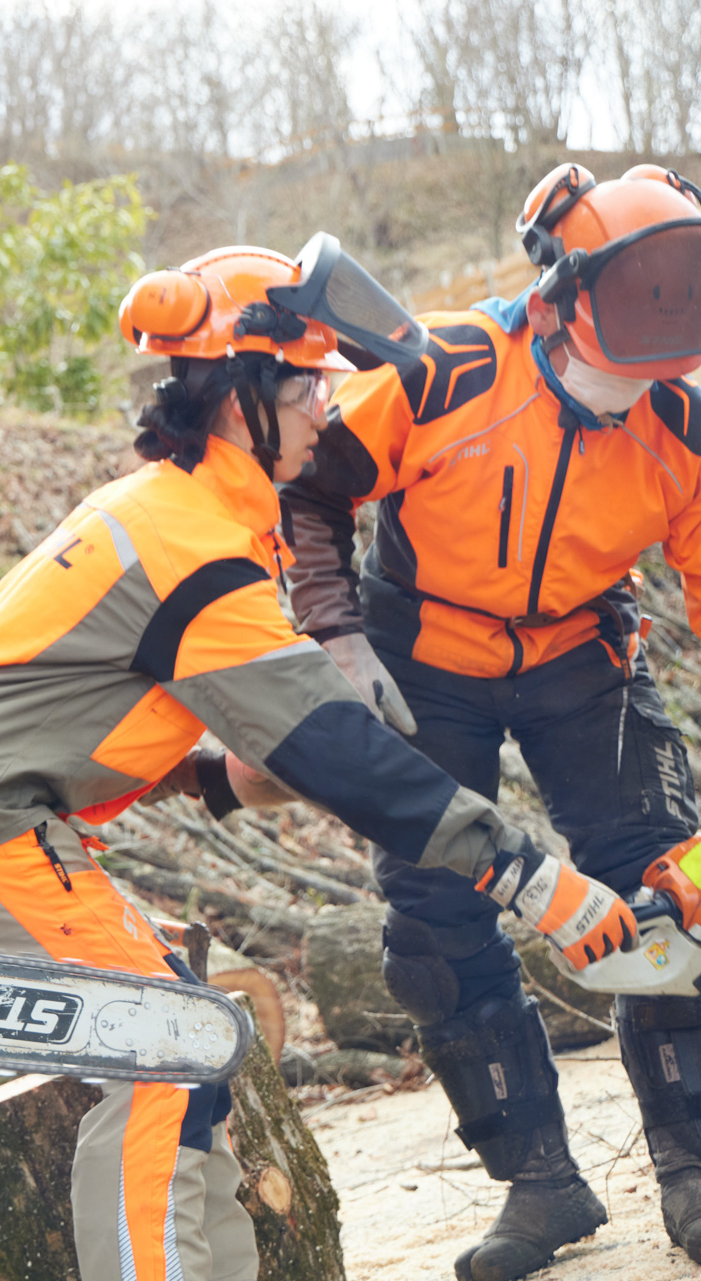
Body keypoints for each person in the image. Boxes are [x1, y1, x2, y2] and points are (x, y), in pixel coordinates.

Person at [0, 242, 634, 1281]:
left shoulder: (201, 515)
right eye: (308, 380)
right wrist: (532, 877)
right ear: (244, 395)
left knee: (192, 1037)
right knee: (158, 1048)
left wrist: (250, 765)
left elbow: (206, 731)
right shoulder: (189, 541)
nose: (325, 404)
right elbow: (338, 758)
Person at [281, 165, 701, 1279]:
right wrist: (333, 629)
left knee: (675, 877)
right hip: (421, 649)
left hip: (580, 649)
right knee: (432, 917)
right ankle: (540, 1183)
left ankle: (695, 1166)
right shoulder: (446, 368)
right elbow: (307, 487)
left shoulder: (680, 425)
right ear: (561, 300)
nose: (634, 374)